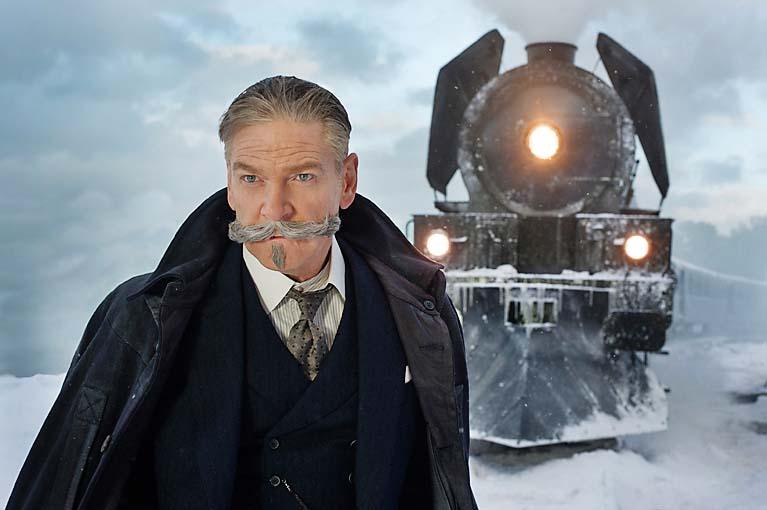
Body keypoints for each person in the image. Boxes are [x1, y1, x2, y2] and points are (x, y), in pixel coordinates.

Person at [7, 76, 477, 510]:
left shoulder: (420, 315)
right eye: (251, 179)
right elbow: (62, 485)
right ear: (230, 185)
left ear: (347, 182)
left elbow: (440, 483)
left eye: (303, 176)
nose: (275, 208)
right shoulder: (141, 319)